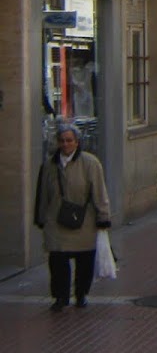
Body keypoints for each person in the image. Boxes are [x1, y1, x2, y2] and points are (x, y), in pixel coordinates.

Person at [34, 123, 113, 311]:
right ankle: (60, 296)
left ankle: (81, 294)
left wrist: (103, 216)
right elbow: (43, 194)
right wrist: (41, 217)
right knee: (57, 260)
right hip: (56, 219)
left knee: (84, 260)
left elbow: (100, 193)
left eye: (69, 140)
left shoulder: (90, 163)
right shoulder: (49, 165)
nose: (65, 144)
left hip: (83, 220)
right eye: (62, 140)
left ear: (77, 142)